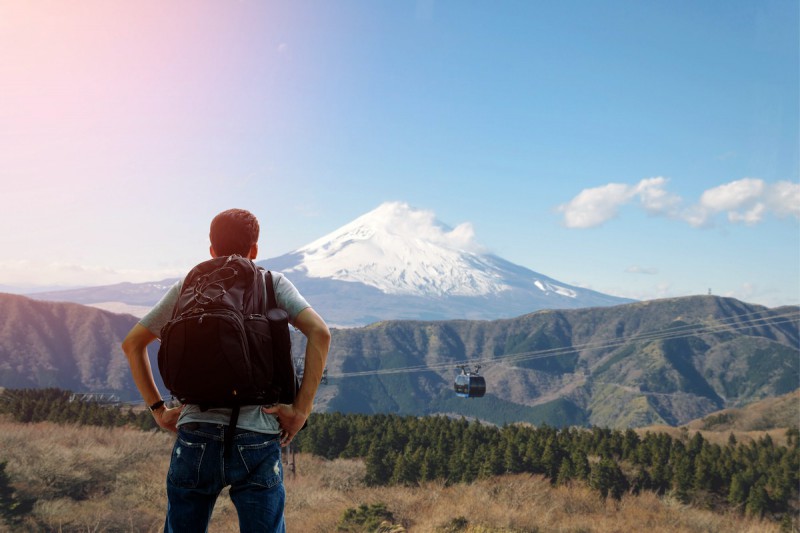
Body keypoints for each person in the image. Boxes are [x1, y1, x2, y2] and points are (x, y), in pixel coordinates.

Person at [121, 208, 331, 532]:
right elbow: (320, 333)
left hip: (195, 434)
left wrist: (159, 410)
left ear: (211, 249)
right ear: (255, 249)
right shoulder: (271, 283)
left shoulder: (188, 287)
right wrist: (301, 410)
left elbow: (132, 344)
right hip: (257, 434)